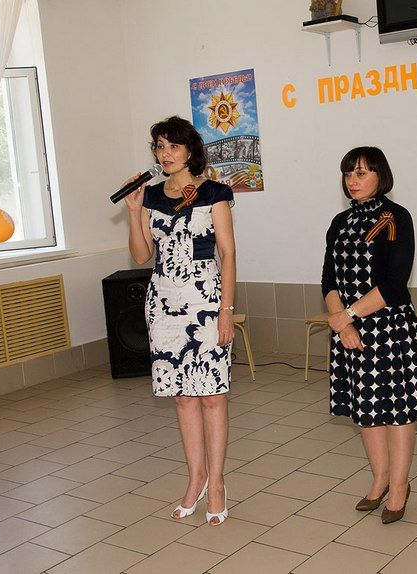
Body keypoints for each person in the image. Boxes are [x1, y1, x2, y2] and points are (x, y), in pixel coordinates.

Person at [123, 115, 235, 526]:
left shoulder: (214, 192)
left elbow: (228, 254)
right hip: (163, 303)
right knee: (183, 397)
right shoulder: (150, 196)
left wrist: (226, 311)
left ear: (190, 150)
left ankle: (217, 483)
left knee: (212, 395)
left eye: (173, 146)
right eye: (159, 146)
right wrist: (134, 211)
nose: (165, 153)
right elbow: (141, 255)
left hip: (206, 301)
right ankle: (195, 478)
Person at [322, 146, 417, 524]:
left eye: (362, 173)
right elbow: (328, 279)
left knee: (398, 411)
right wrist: (342, 322)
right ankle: (380, 479)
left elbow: (394, 283)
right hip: (349, 329)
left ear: (380, 176)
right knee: (366, 409)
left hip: (389, 327)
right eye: (348, 173)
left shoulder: (395, 217)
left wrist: (348, 315)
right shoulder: (340, 222)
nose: (352, 180)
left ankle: (400, 486)